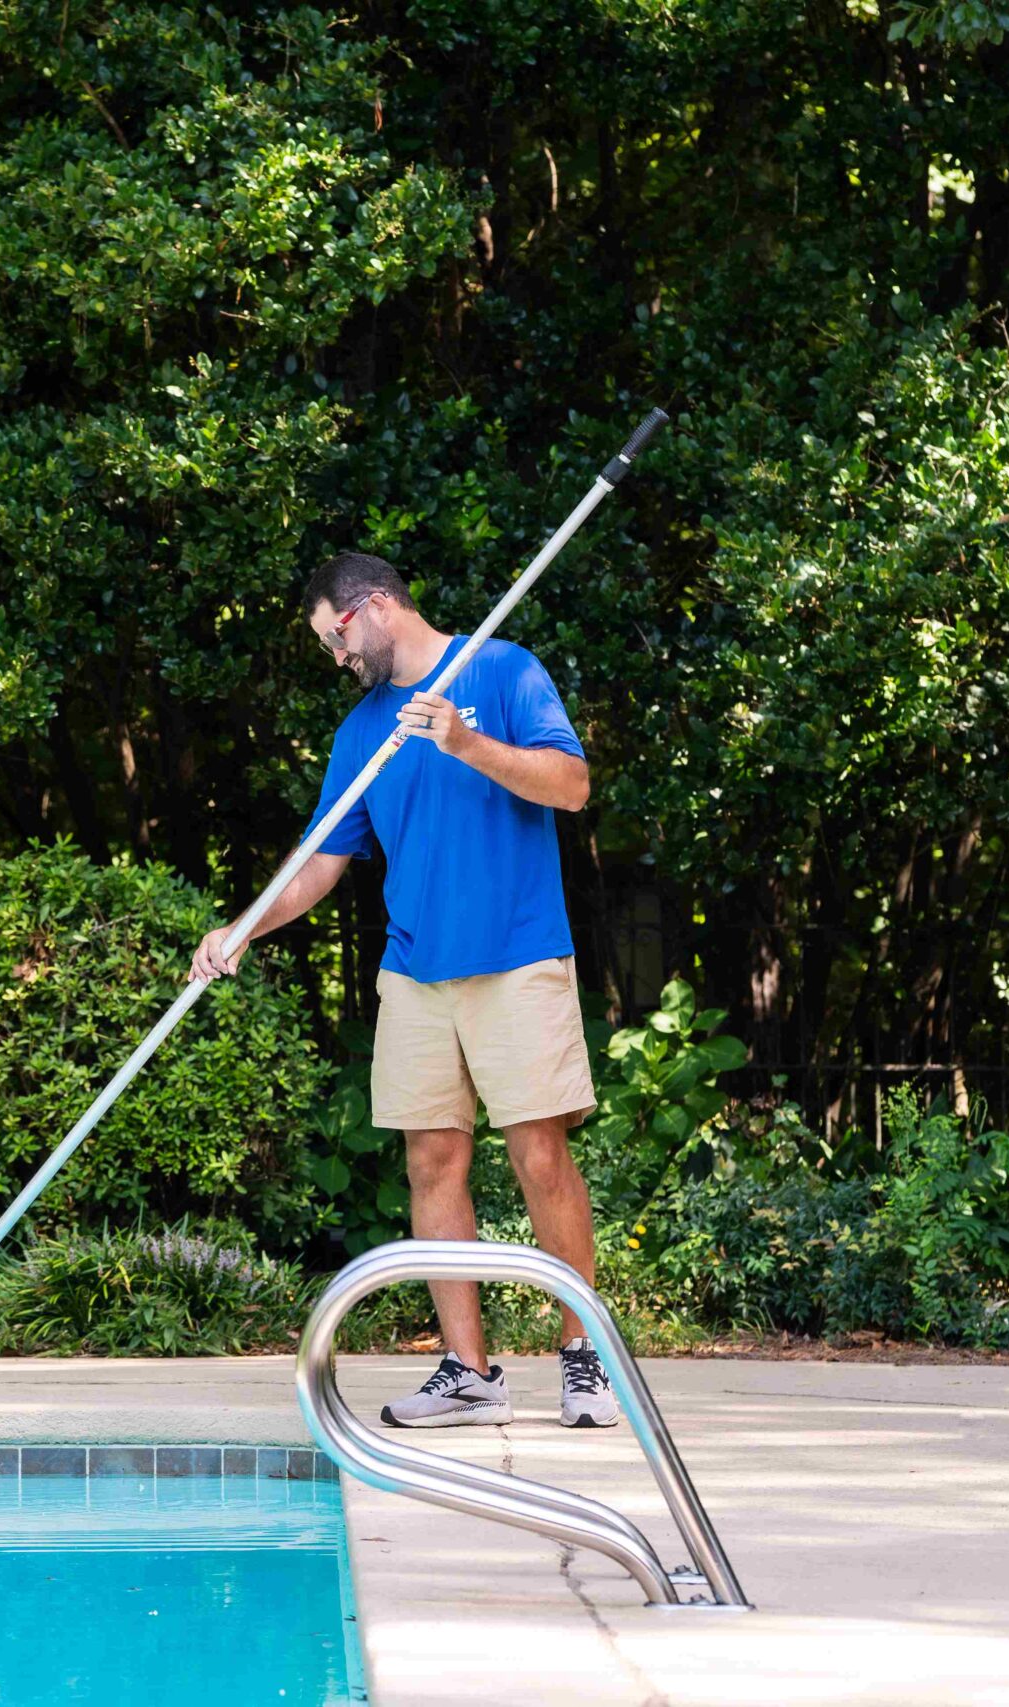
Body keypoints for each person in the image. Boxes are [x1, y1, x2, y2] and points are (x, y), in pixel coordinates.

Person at [192, 551, 617, 1428]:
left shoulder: (501, 670)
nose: (337, 659)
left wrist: (464, 741)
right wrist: (242, 926)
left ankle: (585, 1357)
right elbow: (319, 864)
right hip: (416, 970)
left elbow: (571, 786)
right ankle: (469, 1371)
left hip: (516, 955)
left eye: (335, 639)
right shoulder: (362, 734)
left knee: (539, 1153)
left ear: (374, 607)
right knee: (431, 1161)